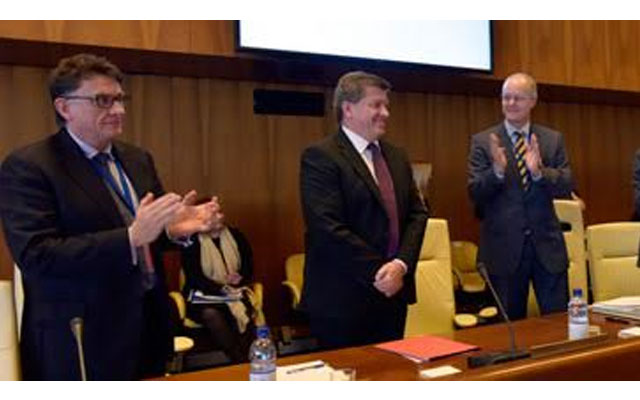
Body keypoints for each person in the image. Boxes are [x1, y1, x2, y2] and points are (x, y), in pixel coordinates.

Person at [0, 53, 221, 380]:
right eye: (103, 100)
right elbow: (37, 255)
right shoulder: (30, 166)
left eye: (119, 99)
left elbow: (149, 236)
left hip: (147, 323)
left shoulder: (137, 159)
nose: (119, 110)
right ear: (64, 107)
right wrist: (130, 237)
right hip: (81, 335)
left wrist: (173, 231)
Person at [299, 71, 428, 349]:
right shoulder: (321, 157)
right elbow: (326, 227)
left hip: (393, 295)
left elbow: (417, 215)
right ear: (348, 109)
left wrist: (400, 266)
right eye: (376, 105)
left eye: (386, 105)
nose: (385, 113)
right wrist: (381, 271)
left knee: (393, 371)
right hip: (342, 299)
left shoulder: (396, 156)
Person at [468, 72, 573, 320]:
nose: (511, 103)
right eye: (506, 97)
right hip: (503, 252)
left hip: (547, 250)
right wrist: (496, 172)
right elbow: (474, 192)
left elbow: (567, 184)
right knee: (509, 330)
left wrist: (539, 173)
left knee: (558, 326)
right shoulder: (484, 141)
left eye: (518, 98)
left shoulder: (551, 139)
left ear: (533, 101)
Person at [180, 200, 255, 363]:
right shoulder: (191, 241)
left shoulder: (236, 235)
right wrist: (221, 288)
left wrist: (240, 277)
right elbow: (194, 277)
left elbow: (248, 266)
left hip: (235, 291)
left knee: (241, 309)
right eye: (214, 214)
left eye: (220, 212)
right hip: (202, 296)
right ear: (201, 219)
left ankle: (246, 359)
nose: (220, 217)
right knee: (212, 314)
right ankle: (239, 360)